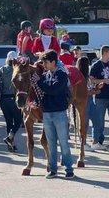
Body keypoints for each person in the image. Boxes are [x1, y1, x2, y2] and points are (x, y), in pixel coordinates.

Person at [36, 49, 74, 179]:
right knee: (51, 143)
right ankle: (53, 169)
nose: (44, 65)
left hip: (59, 113)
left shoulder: (62, 75)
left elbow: (53, 90)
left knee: (63, 143)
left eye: (46, 62)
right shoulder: (46, 76)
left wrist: (40, 83)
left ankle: (69, 169)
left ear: (53, 62)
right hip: (47, 113)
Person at [0, 51, 22, 152]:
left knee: (8, 122)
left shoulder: (1, 69)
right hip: (14, 99)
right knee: (18, 120)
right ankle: (11, 136)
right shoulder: (18, 70)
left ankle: (11, 145)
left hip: (3, 100)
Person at [76, 56, 101, 151]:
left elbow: (90, 89)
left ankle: (95, 142)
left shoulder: (87, 77)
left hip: (90, 100)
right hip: (82, 101)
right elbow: (84, 92)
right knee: (84, 123)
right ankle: (84, 143)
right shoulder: (79, 77)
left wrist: (97, 88)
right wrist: (95, 92)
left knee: (96, 120)